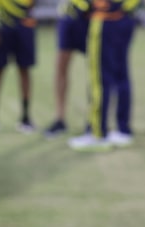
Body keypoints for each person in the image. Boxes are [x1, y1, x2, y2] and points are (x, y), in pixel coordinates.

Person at [68, 0, 140, 151]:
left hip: (104, 21)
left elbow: (81, 5)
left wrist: (84, 7)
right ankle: (123, 130)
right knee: (121, 76)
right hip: (123, 20)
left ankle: (98, 133)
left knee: (99, 79)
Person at [0, 0, 38, 133]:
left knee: (24, 70)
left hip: (23, 28)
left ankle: (25, 117)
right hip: (0, 28)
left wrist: (26, 19)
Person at [43, 0, 91, 138]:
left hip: (91, 15)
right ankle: (60, 119)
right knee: (60, 67)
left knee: (95, 70)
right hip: (68, 15)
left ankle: (93, 119)